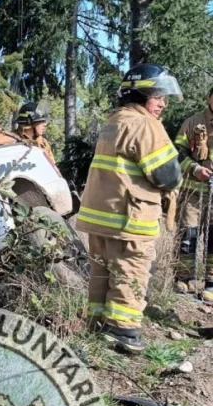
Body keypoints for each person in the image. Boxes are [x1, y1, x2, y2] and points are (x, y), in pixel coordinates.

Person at [76, 64, 183, 354]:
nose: (163, 104)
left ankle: (98, 328)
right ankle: (123, 332)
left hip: (101, 218)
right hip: (129, 219)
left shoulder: (114, 121)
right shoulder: (145, 124)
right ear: (141, 94)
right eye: (158, 97)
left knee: (101, 275)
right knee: (130, 272)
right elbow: (167, 175)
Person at [174, 85, 213, 303]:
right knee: (188, 235)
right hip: (193, 193)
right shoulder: (193, 123)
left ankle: (211, 283)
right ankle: (183, 278)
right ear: (209, 98)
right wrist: (195, 168)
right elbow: (177, 153)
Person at [14, 102, 60, 174]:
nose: (44, 125)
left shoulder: (43, 142)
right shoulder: (11, 140)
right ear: (30, 122)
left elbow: (54, 168)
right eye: (41, 121)